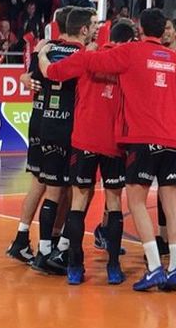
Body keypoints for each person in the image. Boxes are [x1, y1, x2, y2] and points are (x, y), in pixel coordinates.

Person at [39, 8, 176, 292]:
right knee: (157, 205)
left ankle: (75, 266)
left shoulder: (123, 55)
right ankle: (132, 268)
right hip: (155, 142)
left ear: (141, 30)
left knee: (93, 201)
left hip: (105, 140)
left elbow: (61, 70)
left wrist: (43, 55)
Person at [38, 20, 135, 285]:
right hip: (114, 142)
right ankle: (113, 267)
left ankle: (74, 267)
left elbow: (52, 73)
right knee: (113, 204)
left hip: (84, 140)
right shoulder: (128, 62)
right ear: (128, 40)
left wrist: (42, 54)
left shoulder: (86, 58)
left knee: (78, 202)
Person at [6, 6, 75, 265]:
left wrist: (25, 76)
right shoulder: (74, 53)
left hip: (40, 120)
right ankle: (52, 242)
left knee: (40, 182)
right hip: (58, 123)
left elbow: (31, 77)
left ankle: (22, 238)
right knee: (61, 187)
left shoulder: (44, 49)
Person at [29, 8, 94, 277]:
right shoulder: (84, 55)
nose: (93, 30)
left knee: (52, 191)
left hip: (46, 125)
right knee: (81, 191)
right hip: (72, 128)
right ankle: (64, 248)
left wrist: (39, 53)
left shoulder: (47, 48)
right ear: (83, 30)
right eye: (91, 26)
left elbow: (33, 77)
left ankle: (44, 252)